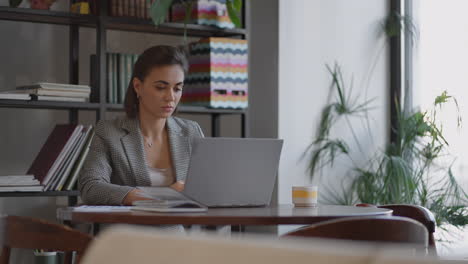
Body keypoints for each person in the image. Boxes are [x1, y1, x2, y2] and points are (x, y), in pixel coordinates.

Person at [78, 45, 204, 205]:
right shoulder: (109, 132)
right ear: (138, 86)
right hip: (131, 227)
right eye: (161, 87)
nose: (171, 97)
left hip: (179, 228)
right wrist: (166, 196)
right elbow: (91, 187)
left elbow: (208, 189)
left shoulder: (192, 131)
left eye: (178, 88)